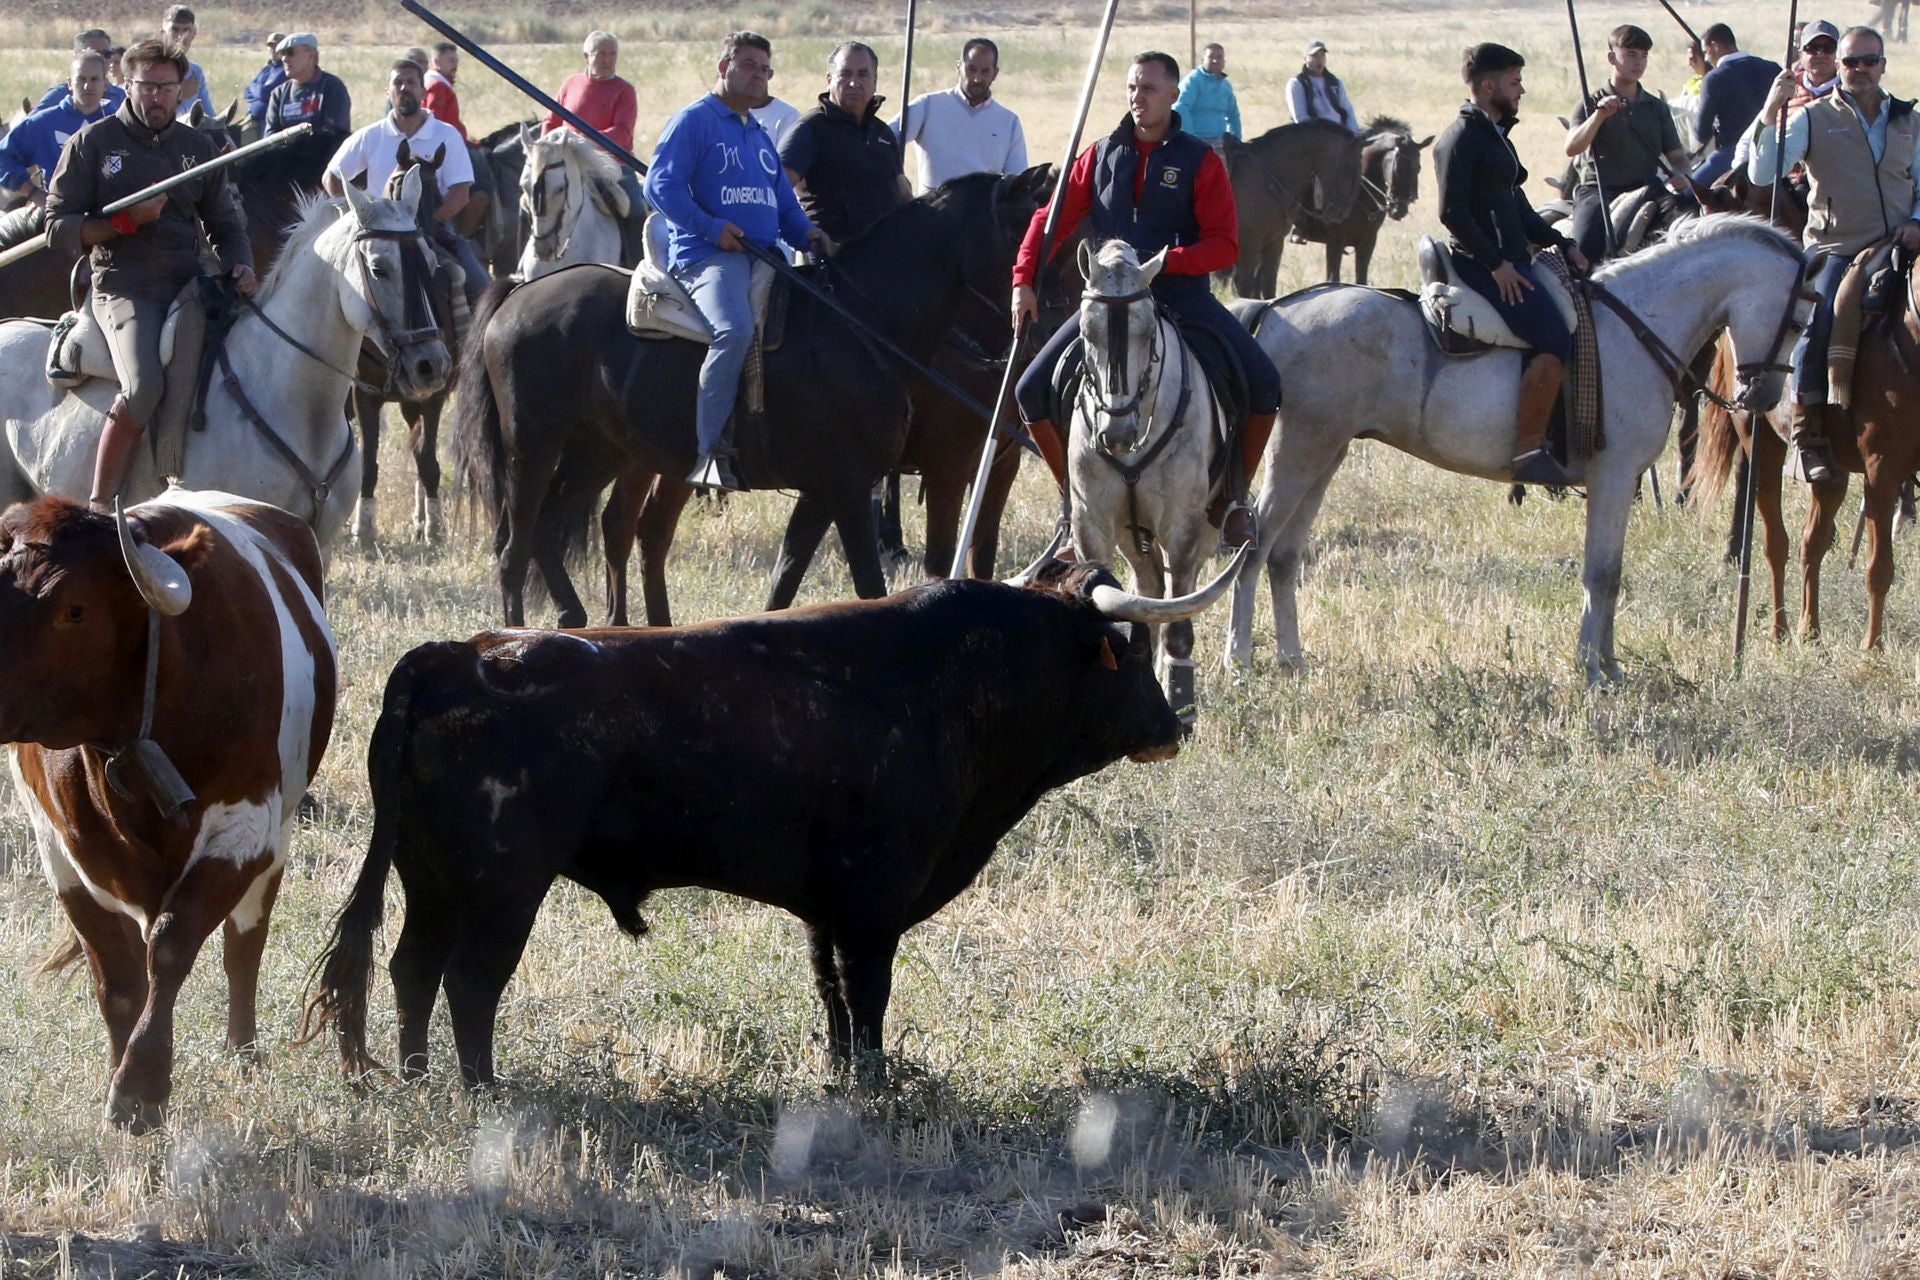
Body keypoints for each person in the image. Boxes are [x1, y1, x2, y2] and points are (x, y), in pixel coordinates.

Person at [1011, 51, 1281, 547]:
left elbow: (1225, 245)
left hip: (1180, 296)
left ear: (1174, 94)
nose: (1139, 97)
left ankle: (1232, 501)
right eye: (1133, 88)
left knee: (1264, 383)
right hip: (1111, 303)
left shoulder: (1199, 161)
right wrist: (1023, 279)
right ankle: (1074, 504)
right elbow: (1049, 221)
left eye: (1150, 88)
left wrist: (1166, 262)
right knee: (1030, 391)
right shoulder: (1099, 155)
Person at [44, 38, 254, 513]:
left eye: (168, 88)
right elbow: (57, 226)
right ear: (126, 84)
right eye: (148, 86)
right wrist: (123, 223)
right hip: (124, 286)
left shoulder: (199, 147)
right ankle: (99, 504)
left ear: (182, 90)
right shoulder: (93, 144)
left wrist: (240, 263)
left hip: (191, 286)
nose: (158, 97)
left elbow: (225, 224)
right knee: (144, 388)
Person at [645, 30, 828, 493]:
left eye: (765, 70)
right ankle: (709, 453)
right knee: (735, 331)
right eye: (749, 66)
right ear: (723, 67)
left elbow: (785, 208)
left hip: (767, 256)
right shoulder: (694, 121)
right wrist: (711, 229)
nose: (758, 76)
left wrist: (811, 234)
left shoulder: (760, 137)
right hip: (707, 258)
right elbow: (659, 187)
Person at [1749, 24, 1920, 483]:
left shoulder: (1909, 119)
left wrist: (1917, 221)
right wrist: (1770, 112)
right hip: (1837, 248)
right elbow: (1764, 172)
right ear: (1838, 67)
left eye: (1869, 61)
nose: (1860, 69)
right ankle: (1808, 434)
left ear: (1883, 65)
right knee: (1821, 316)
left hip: (1902, 244)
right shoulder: (1812, 117)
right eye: (1851, 62)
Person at [1434, 42, 1589, 487]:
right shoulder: (1460, 138)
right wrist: (1498, 265)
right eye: (1514, 81)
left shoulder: (1494, 135)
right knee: (1553, 337)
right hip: (1482, 266)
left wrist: (1561, 242)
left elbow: (1516, 207)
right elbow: (1453, 213)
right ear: (1487, 86)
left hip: (1512, 259)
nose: (1521, 89)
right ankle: (1526, 453)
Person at [324, 59, 486, 305]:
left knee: (480, 286)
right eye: (397, 83)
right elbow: (332, 177)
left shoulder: (447, 135)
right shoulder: (370, 135)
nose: (403, 88)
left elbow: (460, 193)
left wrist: (424, 221)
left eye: (411, 82)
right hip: (377, 233)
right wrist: (356, 213)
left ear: (422, 90)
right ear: (387, 91)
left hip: (433, 229)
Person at [1562, 24, 1689, 263]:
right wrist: (1599, 116)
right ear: (1612, 58)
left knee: (1689, 228)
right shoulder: (1590, 103)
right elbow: (1572, 147)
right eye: (1631, 54)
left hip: (1646, 189)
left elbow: (1678, 158)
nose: (1638, 62)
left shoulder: (1656, 107)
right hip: (1600, 191)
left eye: (1644, 56)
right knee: (1584, 250)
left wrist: (1682, 174)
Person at [779, 41, 911, 243]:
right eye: (845, 74)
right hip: (834, 260)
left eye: (863, 74)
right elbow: (775, 190)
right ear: (829, 79)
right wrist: (807, 233)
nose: (853, 83)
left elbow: (903, 193)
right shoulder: (810, 129)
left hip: (887, 256)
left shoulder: (883, 132)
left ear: (875, 81)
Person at [892, 37, 1028, 192]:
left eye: (985, 71)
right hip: (932, 211)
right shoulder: (927, 105)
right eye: (971, 69)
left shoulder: (1009, 122)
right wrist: (898, 177)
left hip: (982, 213)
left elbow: (1018, 182)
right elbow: (884, 141)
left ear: (995, 74)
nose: (977, 78)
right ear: (959, 67)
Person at [1, 52, 112, 205]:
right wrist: (33, 192)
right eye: (81, 79)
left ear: (105, 84)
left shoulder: (118, 120)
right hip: (59, 211)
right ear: (69, 83)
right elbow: (3, 157)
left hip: (111, 209)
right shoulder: (44, 122)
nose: (87, 86)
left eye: (94, 79)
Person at [1690, 23, 1781, 185]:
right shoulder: (1771, 67)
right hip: (1774, 149)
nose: (1705, 58)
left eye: (1705, 52)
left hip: (1732, 153)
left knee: (1688, 193)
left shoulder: (1714, 78)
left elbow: (1701, 133)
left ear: (1715, 45)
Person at [263, 32, 352, 137]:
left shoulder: (332, 88)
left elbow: (334, 134)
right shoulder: (278, 94)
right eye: (282, 54)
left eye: (290, 52)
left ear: (311, 55)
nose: (284, 59)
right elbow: (270, 138)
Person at [34, 30, 125, 114]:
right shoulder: (58, 95)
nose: (101, 59)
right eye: (94, 54)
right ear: (76, 56)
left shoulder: (121, 97)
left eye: (107, 54)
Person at [1173, 42, 1241, 148]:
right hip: (1198, 139)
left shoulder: (1226, 86)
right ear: (1203, 60)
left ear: (1224, 62)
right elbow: (1180, 107)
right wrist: (1191, 138)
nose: (1215, 61)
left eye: (1219, 57)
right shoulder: (1193, 81)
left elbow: (1233, 115)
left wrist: (1236, 140)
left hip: (1220, 141)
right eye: (1211, 57)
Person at [1287, 39, 1361, 133]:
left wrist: (1353, 133)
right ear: (1305, 58)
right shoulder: (1297, 83)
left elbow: (1347, 110)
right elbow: (1300, 118)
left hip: (1340, 133)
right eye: (1314, 56)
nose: (1319, 59)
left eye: (1322, 55)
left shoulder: (1335, 83)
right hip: (1314, 136)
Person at [161, 6, 216, 121]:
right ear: (163, 34)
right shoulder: (152, 69)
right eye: (175, 30)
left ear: (193, 35)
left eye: (186, 30)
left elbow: (209, 115)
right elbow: (148, 117)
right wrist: (179, 97)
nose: (181, 36)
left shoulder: (195, 72)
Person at [242, 32, 288, 134]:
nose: (273, 50)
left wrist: (255, 89)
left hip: (269, 121)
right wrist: (257, 92)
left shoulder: (286, 70)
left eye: (276, 46)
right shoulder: (266, 69)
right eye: (270, 46)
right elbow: (246, 91)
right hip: (252, 120)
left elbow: (264, 93)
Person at [423, 41, 466, 141]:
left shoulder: (437, 83)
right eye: (451, 60)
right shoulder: (438, 86)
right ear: (437, 62)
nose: (455, 65)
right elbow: (434, 122)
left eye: (456, 61)